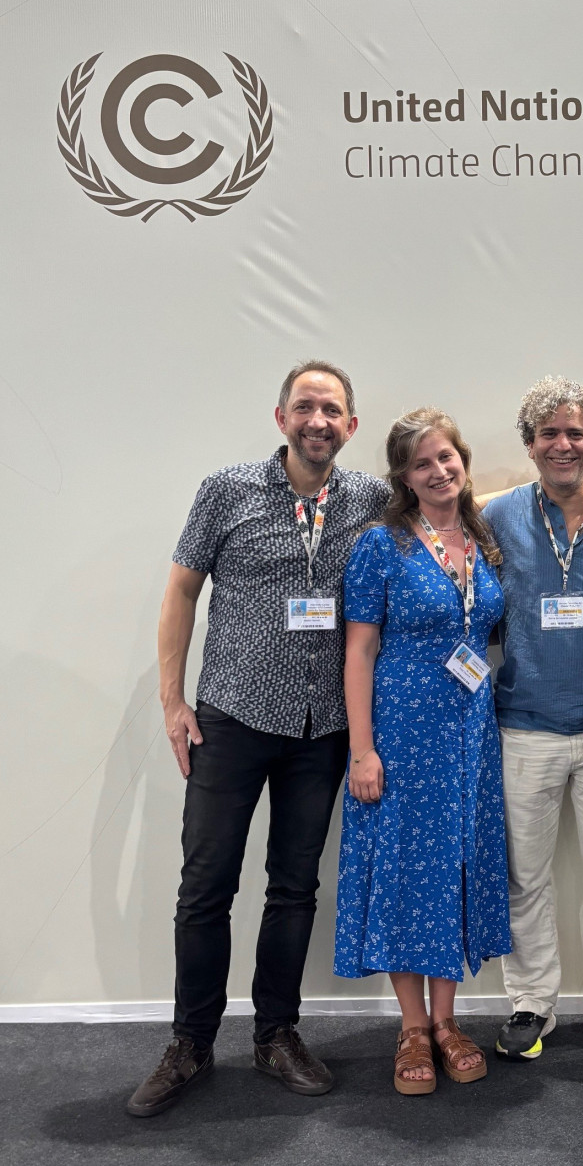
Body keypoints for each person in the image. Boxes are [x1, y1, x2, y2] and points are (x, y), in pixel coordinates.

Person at [127, 361, 390, 1118]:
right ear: (281, 418)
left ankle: (276, 1034)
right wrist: (174, 700)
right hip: (232, 719)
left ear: (351, 425)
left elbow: (446, 500)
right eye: (304, 406)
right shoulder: (227, 489)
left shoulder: (370, 499)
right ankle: (190, 1043)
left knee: (294, 886)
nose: (318, 420)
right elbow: (182, 588)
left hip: (322, 730)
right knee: (205, 887)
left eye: (332, 409)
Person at [335, 408, 511, 1096]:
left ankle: (448, 1020)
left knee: (456, 867)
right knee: (405, 871)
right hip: (401, 735)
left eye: (448, 457)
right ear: (404, 478)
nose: (439, 470)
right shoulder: (383, 545)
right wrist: (362, 750)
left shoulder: (483, 536)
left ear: (463, 461)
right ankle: (411, 1027)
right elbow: (358, 650)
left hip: (470, 737)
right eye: (423, 463)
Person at [482, 377, 583, 1062]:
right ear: (529, 444)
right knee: (526, 874)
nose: (563, 444)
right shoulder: (495, 517)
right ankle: (530, 1002)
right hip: (524, 722)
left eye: (576, 432)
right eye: (549, 432)